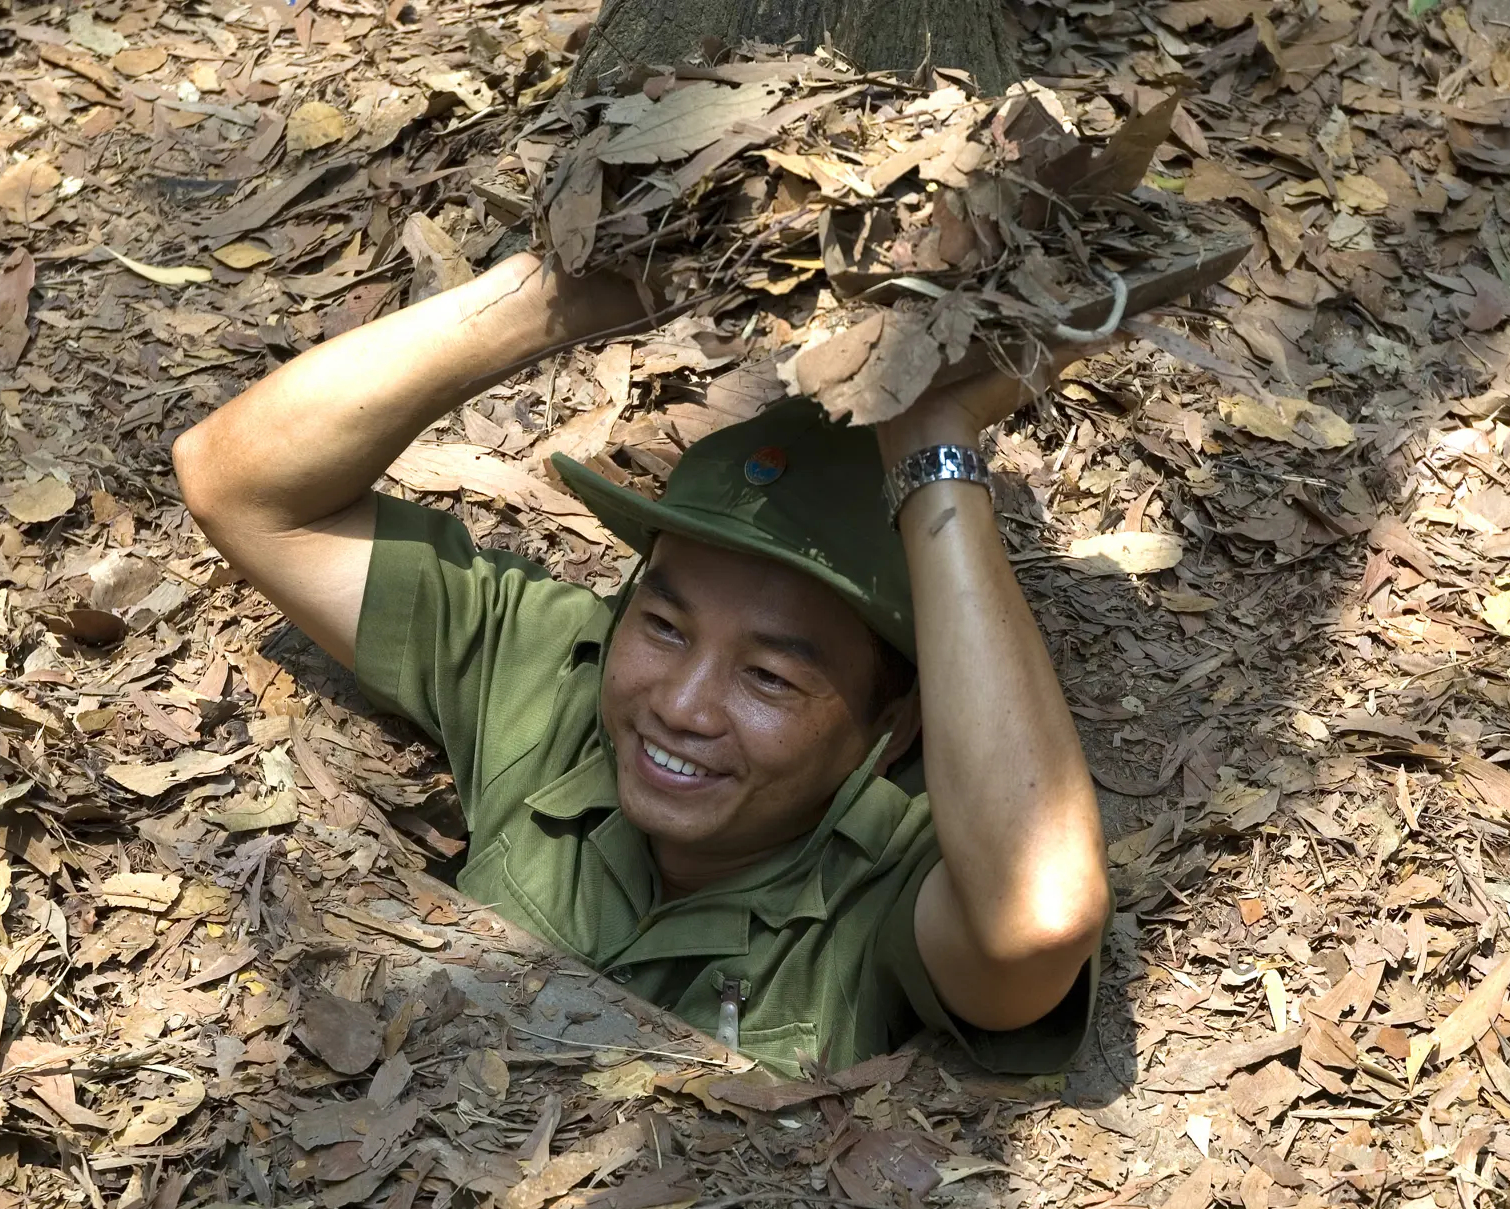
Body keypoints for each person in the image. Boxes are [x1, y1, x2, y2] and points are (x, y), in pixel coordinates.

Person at [171, 252, 1111, 1077]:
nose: (682, 705)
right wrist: (574, 288)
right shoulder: (551, 673)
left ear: (894, 721)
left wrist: (934, 441)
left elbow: (1042, 915)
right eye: (664, 625)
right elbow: (237, 484)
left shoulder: (891, 880)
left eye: (769, 678)